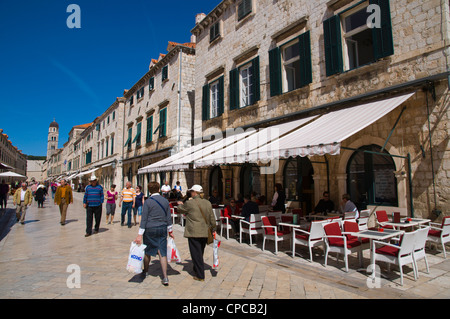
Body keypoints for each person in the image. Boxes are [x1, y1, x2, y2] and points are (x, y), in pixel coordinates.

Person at [134, 182, 173, 286]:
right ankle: (165, 277)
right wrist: (170, 231)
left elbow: (144, 218)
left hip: (150, 228)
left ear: (149, 190)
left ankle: (145, 271)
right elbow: (168, 217)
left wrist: (139, 234)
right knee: (162, 252)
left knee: (147, 251)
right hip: (162, 228)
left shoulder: (148, 202)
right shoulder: (165, 201)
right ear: (159, 189)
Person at [176, 184, 216, 282]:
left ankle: (200, 275)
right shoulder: (207, 203)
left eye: (191, 191)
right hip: (205, 231)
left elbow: (180, 210)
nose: (190, 193)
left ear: (195, 192)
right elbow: (212, 218)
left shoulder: (190, 203)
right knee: (200, 252)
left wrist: (180, 203)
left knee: (195, 253)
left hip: (194, 232)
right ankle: (196, 268)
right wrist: (213, 228)